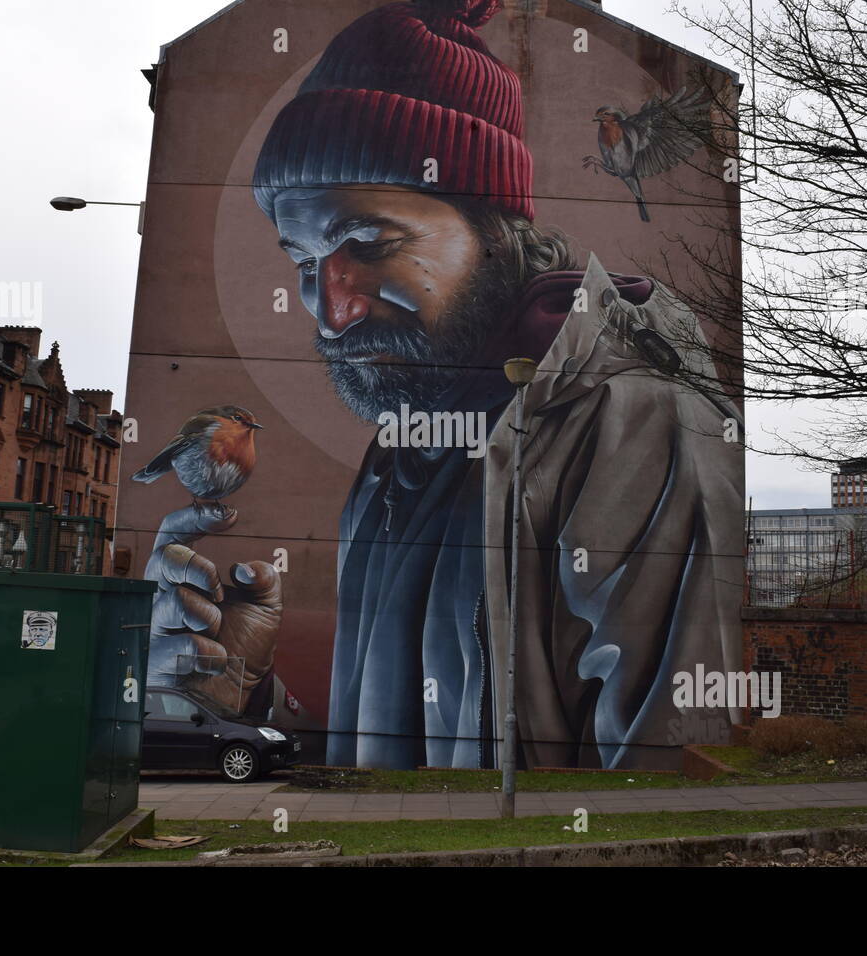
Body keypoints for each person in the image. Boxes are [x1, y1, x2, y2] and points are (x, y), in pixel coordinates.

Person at [145, 0, 743, 770]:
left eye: (365, 243)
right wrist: (242, 692)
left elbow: (669, 801)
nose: (331, 313)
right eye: (302, 265)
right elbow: (384, 760)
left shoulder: (639, 427)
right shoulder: (404, 450)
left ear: (496, 233)